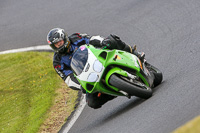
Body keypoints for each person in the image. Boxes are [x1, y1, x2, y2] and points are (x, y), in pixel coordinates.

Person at [47, 28, 145, 109]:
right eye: (56, 44)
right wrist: (81, 86)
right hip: (88, 75)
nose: (59, 45)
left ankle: (134, 53)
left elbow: (91, 38)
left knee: (112, 39)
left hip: (98, 57)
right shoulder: (57, 62)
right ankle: (112, 91)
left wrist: (102, 41)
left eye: (60, 42)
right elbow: (68, 79)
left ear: (65, 38)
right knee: (92, 102)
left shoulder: (75, 38)